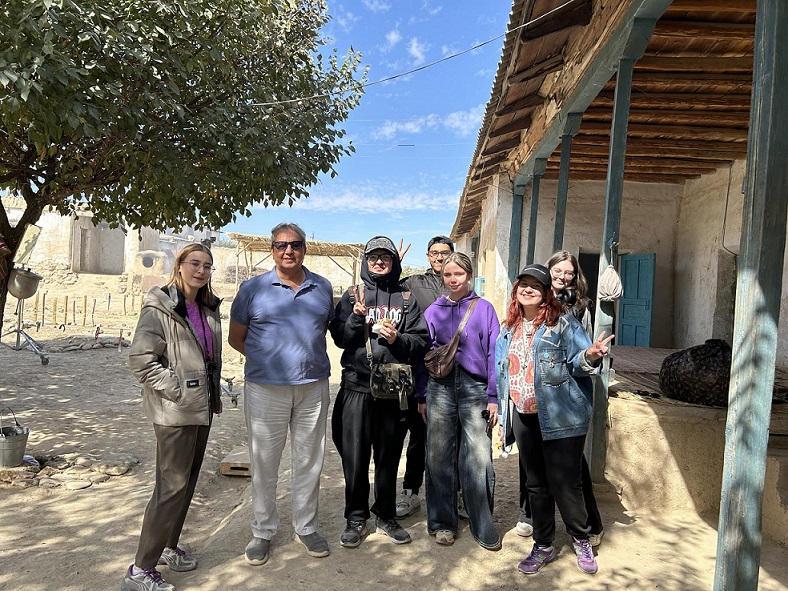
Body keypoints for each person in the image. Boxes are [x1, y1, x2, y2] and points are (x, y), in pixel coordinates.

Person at [495, 264, 612, 575]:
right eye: (524, 284)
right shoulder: (509, 328)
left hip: (562, 416)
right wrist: (501, 411)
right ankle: (543, 544)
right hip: (524, 415)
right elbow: (502, 372)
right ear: (516, 290)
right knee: (536, 485)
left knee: (566, 484)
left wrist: (590, 356)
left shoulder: (563, 325)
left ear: (547, 293)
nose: (528, 289)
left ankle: (581, 538)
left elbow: (579, 362)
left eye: (536, 285)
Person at [228, 223, 334, 565]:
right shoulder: (252, 289)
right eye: (281, 245)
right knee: (264, 463)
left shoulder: (322, 286)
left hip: (313, 387)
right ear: (271, 249)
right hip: (265, 389)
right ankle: (263, 531)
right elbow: (236, 338)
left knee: (309, 461)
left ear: (305, 248)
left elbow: (322, 330)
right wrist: (269, 361)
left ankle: (306, 527)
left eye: (296, 244)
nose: (289, 251)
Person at [123, 244, 222, 591]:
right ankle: (140, 570)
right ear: (179, 265)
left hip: (201, 407)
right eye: (194, 263)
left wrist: (208, 395)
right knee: (170, 487)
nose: (201, 271)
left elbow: (207, 357)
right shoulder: (159, 306)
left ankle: (168, 545)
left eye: (207, 266)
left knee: (187, 482)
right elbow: (141, 361)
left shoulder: (207, 307)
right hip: (175, 410)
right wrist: (176, 387)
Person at [329, 236, 428, 548]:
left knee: (388, 456)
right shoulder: (352, 295)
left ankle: (385, 515)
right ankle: (356, 517)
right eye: (374, 257)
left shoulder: (407, 299)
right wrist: (356, 317)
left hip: (393, 391)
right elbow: (340, 339)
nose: (379, 262)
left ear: (394, 262)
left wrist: (398, 339)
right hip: (356, 387)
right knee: (355, 457)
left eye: (385, 257)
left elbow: (420, 341)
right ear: (366, 261)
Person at [417, 252, 501, 549]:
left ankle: (482, 522)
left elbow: (494, 354)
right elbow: (423, 354)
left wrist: (493, 396)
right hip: (439, 387)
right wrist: (422, 395)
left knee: (478, 456)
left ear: (469, 276)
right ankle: (442, 522)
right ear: (442, 277)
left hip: (475, 387)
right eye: (448, 275)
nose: (453, 280)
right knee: (438, 454)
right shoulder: (433, 311)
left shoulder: (485, 309)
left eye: (459, 274)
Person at [546, 250, 604, 546]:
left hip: (568, 393)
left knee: (573, 467)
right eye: (558, 270)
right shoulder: (536, 299)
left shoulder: (580, 307)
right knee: (540, 463)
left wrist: (591, 356)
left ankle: (590, 525)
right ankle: (531, 519)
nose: (563, 276)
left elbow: (585, 351)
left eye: (569, 272)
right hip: (542, 392)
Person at [395, 235, 454, 518]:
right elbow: (388, 289)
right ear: (428, 256)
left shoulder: (458, 281)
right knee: (419, 434)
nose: (440, 257)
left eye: (445, 252)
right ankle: (411, 491)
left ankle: (453, 493)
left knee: (453, 438)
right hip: (420, 368)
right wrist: (396, 263)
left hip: (454, 371)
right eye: (434, 253)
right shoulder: (414, 283)